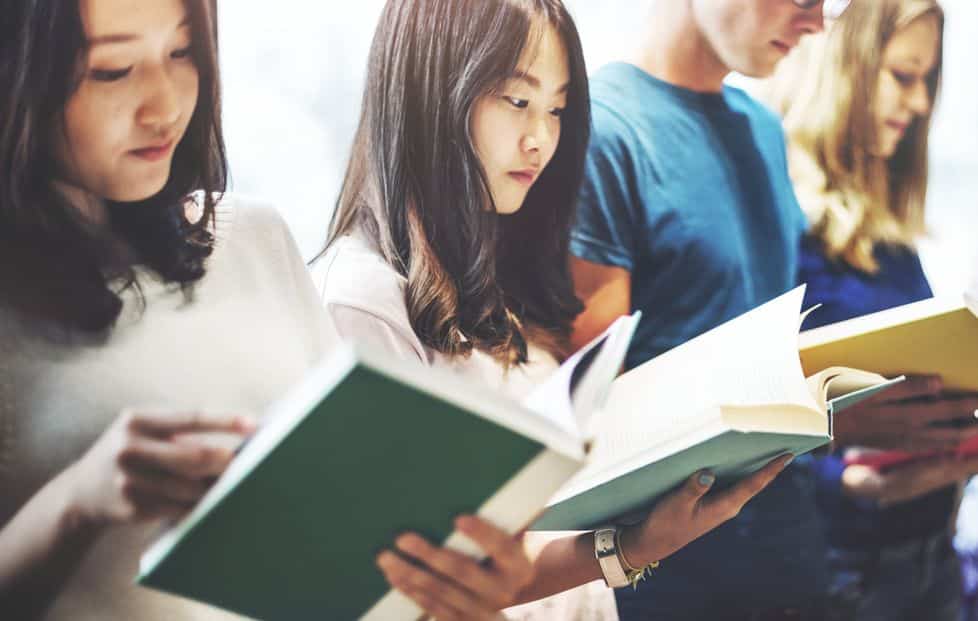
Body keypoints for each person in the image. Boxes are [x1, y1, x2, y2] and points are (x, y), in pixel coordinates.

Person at [312, 0, 791, 619]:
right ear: (432, 93)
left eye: (558, 109)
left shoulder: (499, 278)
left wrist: (637, 544)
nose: (541, 139)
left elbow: (517, 559)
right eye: (518, 101)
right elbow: (395, 591)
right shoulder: (362, 303)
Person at [566, 0, 978, 618]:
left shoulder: (760, 131)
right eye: (803, 2)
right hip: (679, 582)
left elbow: (775, 372)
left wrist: (839, 427)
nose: (817, 25)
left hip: (796, 569)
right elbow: (596, 419)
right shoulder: (604, 131)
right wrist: (829, 428)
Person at [0, 1, 337, 618]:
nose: (165, 107)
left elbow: (349, 502)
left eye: (182, 53)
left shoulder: (254, 237)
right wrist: (74, 503)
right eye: (113, 69)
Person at [768, 1, 978, 618]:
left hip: (929, 562)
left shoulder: (888, 235)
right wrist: (848, 483)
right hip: (844, 578)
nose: (918, 106)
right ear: (846, 67)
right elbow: (742, 428)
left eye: (926, 82)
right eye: (902, 76)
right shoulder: (779, 225)